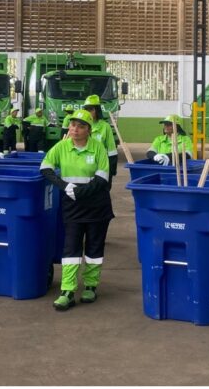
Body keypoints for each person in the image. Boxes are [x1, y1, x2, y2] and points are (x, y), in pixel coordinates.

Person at [39, 109, 111, 311]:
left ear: (89, 130)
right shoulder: (61, 146)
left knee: (94, 248)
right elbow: (45, 168)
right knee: (71, 247)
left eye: (80, 126)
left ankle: (90, 286)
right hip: (72, 206)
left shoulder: (98, 148)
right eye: (72, 125)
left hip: (97, 205)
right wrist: (64, 186)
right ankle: (67, 291)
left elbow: (102, 178)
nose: (75, 129)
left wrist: (79, 192)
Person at [82, 95, 119, 181]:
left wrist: (111, 171)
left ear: (97, 110)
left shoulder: (105, 127)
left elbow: (111, 150)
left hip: (101, 166)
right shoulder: (82, 126)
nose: (88, 112)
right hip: (85, 167)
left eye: (91, 109)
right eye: (86, 109)